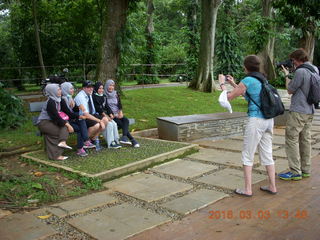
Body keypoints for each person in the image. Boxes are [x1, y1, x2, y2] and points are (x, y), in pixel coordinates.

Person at [219, 55, 277, 196]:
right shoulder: (262, 78)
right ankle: (272, 186)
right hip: (268, 120)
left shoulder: (247, 80)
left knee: (247, 154)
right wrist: (234, 84)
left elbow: (228, 99)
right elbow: (249, 95)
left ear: (246, 67)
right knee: (267, 153)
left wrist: (222, 84)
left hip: (256, 121)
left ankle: (248, 189)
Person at [278, 49, 319, 180]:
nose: (293, 63)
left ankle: (295, 171)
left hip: (298, 111)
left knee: (292, 139)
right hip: (310, 109)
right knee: (305, 140)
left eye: (293, 60)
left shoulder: (300, 71)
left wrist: (286, 75)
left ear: (297, 60)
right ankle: (305, 169)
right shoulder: (314, 69)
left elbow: (290, 90)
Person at [37, 83, 74, 161]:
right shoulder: (51, 102)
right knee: (60, 132)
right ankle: (56, 154)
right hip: (44, 123)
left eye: (60, 89)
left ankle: (57, 149)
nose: (60, 91)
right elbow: (56, 117)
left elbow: (67, 112)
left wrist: (79, 117)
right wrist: (68, 125)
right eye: (58, 90)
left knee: (63, 127)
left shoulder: (59, 100)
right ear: (52, 91)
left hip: (52, 122)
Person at [61, 82, 95, 157]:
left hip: (71, 120)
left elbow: (74, 109)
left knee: (81, 123)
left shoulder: (69, 98)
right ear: (65, 89)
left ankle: (81, 147)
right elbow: (68, 113)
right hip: (65, 122)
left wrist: (79, 107)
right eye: (71, 89)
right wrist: (79, 116)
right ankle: (85, 141)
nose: (73, 90)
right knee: (81, 121)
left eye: (73, 88)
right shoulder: (62, 100)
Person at [104, 79, 140, 148]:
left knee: (126, 120)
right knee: (122, 124)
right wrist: (114, 115)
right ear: (106, 86)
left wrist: (120, 112)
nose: (111, 87)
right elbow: (106, 108)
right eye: (110, 85)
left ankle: (124, 137)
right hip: (111, 116)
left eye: (113, 85)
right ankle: (132, 140)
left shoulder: (116, 93)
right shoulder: (104, 95)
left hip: (118, 114)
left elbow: (119, 104)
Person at [74, 80, 108, 151]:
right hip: (81, 117)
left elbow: (93, 109)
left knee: (105, 119)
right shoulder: (81, 97)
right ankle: (84, 142)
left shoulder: (89, 93)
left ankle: (93, 138)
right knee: (97, 125)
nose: (91, 88)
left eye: (92, 87)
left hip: (91, 114)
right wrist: (99, 120)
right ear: (83, 88)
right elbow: (86, 114)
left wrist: (100, 118)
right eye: (88, 87)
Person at [92, 82, 121, 149]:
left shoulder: (104, 96)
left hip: (104, 115)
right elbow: (98, 109)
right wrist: (107, 117)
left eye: (102, 88)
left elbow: (107, 106)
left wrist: (110, 113)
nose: (101, 90)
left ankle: (116, 140)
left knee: (114, 124)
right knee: (109, 124)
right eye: (99, 88)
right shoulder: (94, 97)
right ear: (96, 88)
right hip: (97, 114)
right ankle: (110, 143)